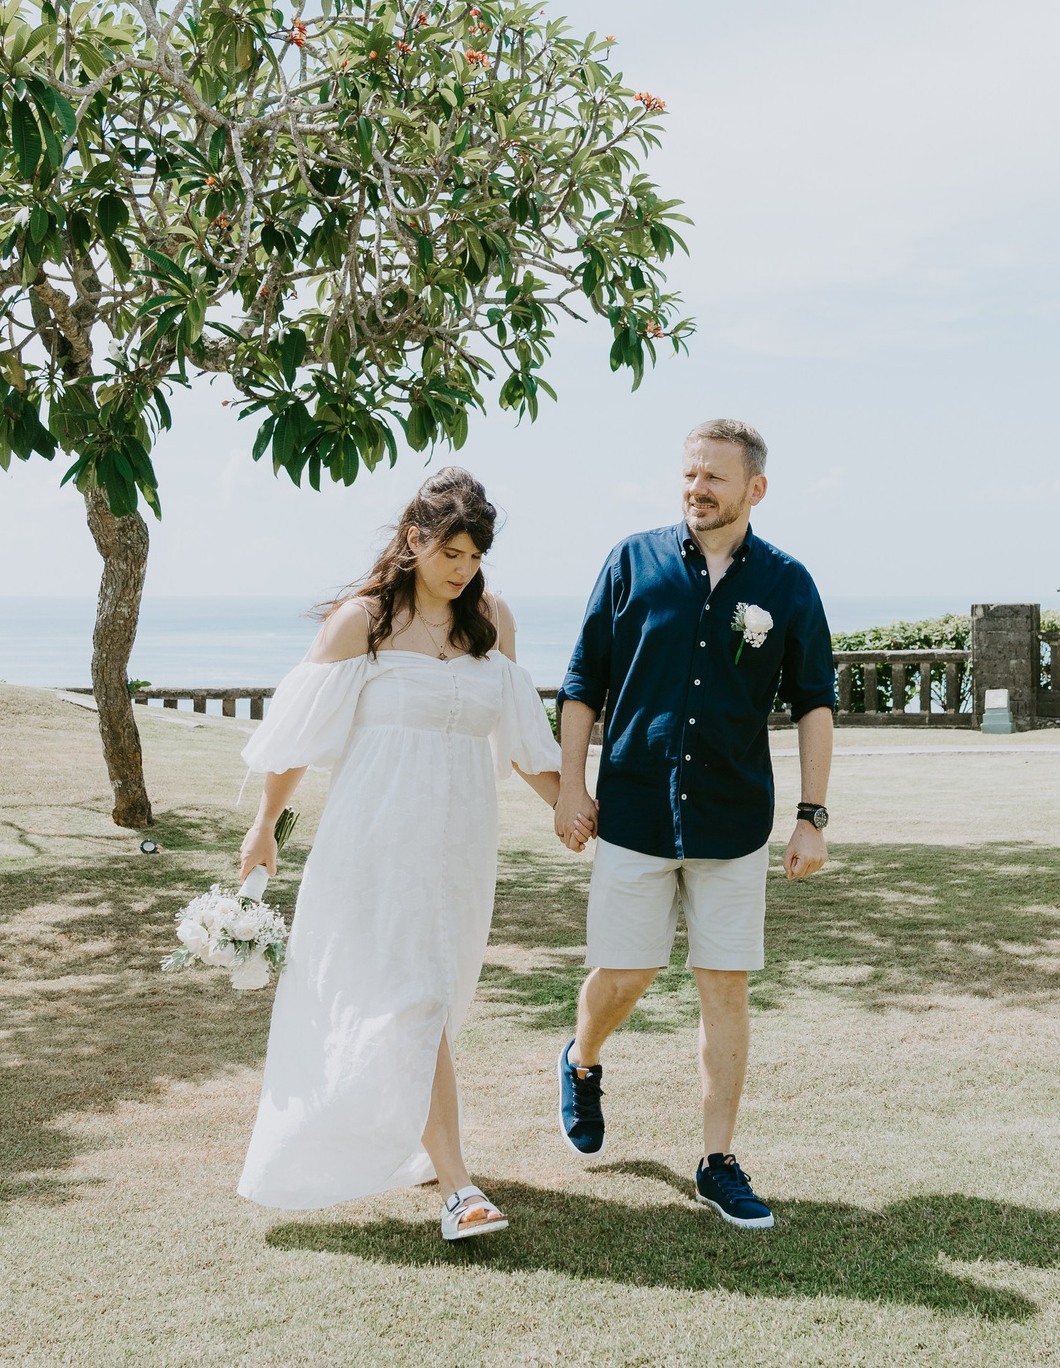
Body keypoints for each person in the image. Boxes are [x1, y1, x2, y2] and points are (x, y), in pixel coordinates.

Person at [234, 468, 571, 1241]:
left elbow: (523, 742)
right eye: (451, 550)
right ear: (415, 540)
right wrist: (264, 827)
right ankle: (460, 1187)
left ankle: (423, 1147)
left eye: (475, 554)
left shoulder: (492, 621)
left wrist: (572, 807)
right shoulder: (363, 622)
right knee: (412, 998)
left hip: (458, 845)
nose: (463, 568)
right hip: (374, 843)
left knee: (431, 1003)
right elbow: (297, 741)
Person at [552, 418, 835, 1230]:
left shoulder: (788, 584)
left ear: (756, 488)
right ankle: (584, 1057)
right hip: (634, 813)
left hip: (733, 821)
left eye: (714, 477)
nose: (697, 489)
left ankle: (716, 1161)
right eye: (688, 475)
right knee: (624, 974)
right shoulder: (630, 561)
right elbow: (581, 683)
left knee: (725, 988)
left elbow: (814, 700)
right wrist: (571, 785)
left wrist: (813, 815)